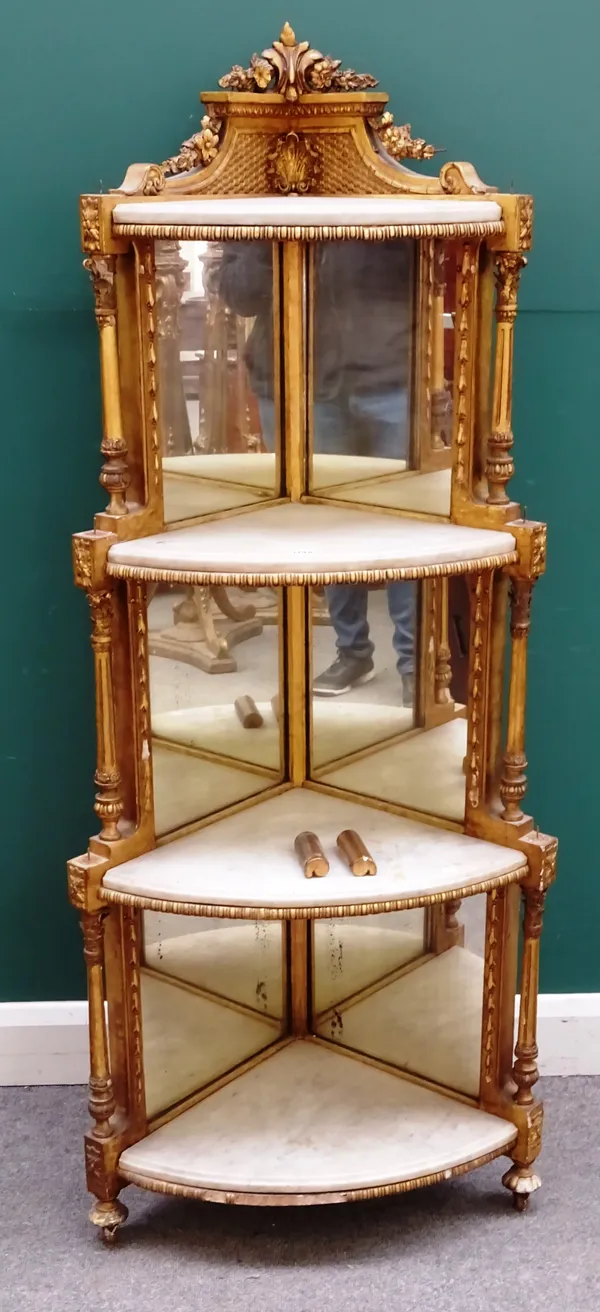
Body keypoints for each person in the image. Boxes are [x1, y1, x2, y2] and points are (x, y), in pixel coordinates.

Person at [216, 240, 416, 706]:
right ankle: (353, 651)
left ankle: (415, 664)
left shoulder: (380, 187)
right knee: (324, 526)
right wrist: (279, 235)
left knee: (409, 526)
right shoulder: (257, 201)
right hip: (296, 379)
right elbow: (240, 293)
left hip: (388, 374)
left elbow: (423, 270)